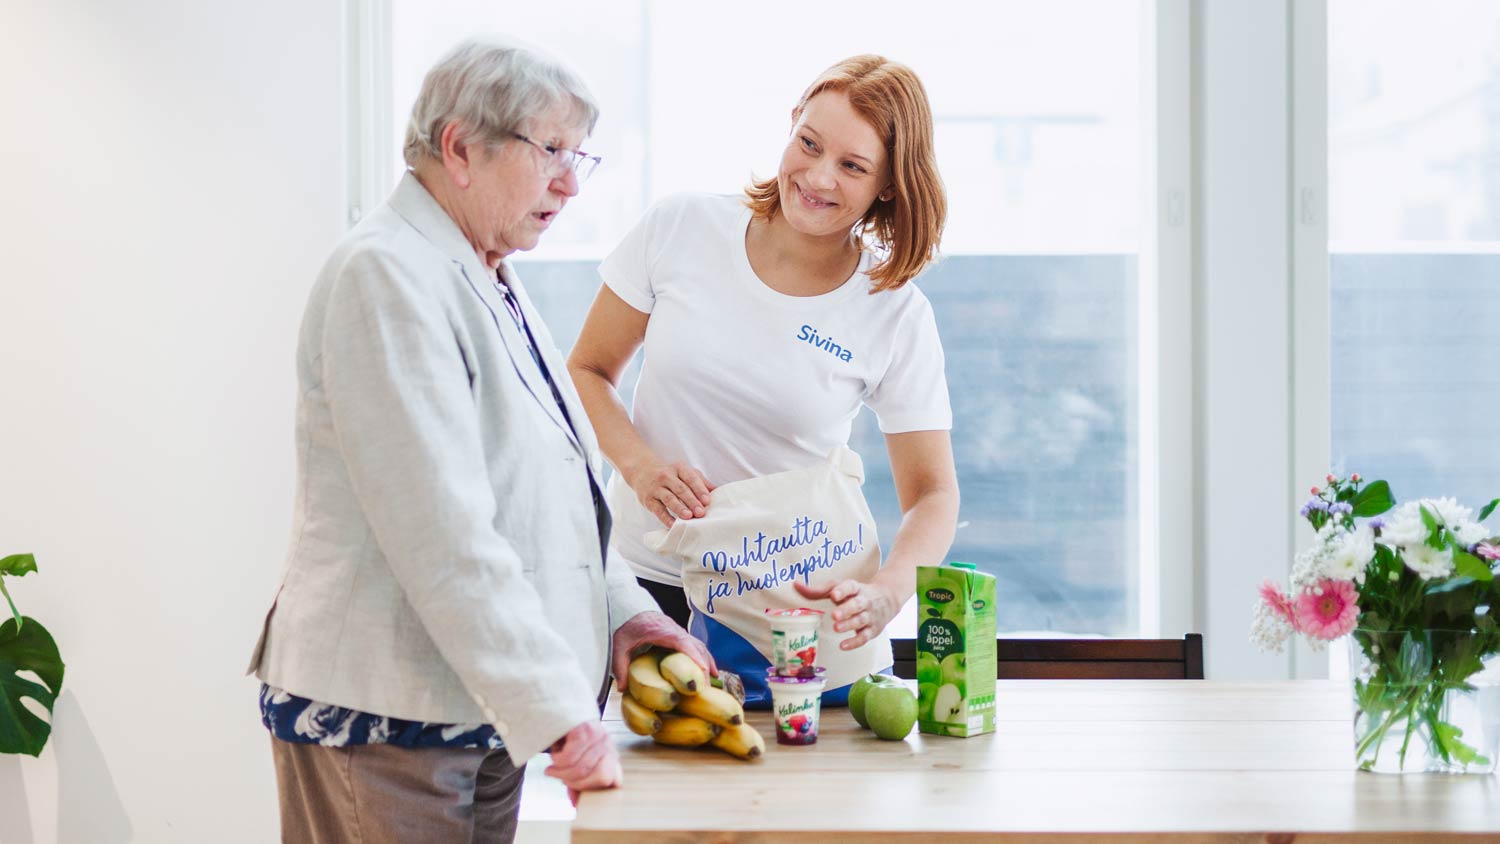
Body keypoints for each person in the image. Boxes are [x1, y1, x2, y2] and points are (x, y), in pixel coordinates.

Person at [245, 39, 710, 843]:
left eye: (578, 156)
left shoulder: (484, 272)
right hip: (387, 717)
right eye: (550, 150)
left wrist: (627, 614)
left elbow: (553, 498)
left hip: (480, 716)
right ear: (459, 147)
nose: (570, 182)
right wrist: (557, 711)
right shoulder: (386, 275)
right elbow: (441, 531)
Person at [567, 55, 959, 674]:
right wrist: (641, 468)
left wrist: (887, 592)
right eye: (809, 143)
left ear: (888, 184)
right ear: (792, 122)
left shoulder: (894, 312)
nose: (818, 177)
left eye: (853, 166)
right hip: (643, 584)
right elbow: (587, 370)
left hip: (787, 606)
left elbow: (933, 494)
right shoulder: (681, 226)